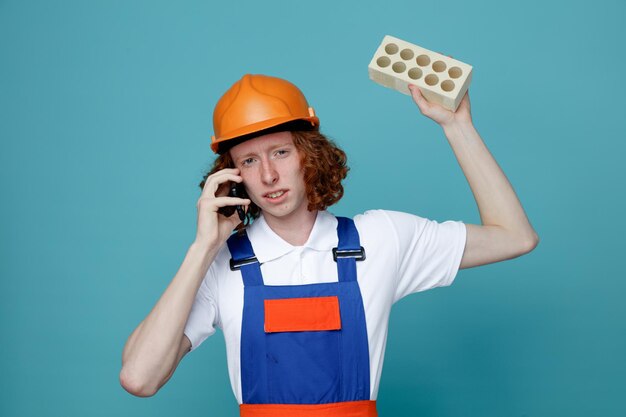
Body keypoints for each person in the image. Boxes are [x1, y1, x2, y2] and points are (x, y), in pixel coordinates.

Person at [120, 74, 539, 416]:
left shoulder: (380, 238)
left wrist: (457, 126)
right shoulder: (220, 264)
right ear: (233, 178)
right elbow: (140, 379)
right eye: (249, 160)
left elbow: (514, 236)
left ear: (309, 155)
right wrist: (202, 249)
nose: (267, 175)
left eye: (280, 152)